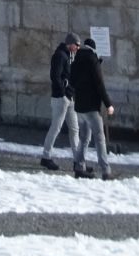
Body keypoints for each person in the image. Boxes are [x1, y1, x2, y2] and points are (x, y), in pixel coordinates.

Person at [70, 35, 114, 179]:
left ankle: (79, 166)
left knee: (84, 138)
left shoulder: (76, 60)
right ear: (94, 49)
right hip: (91, 108)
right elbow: (99, 84)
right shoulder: (92, 60)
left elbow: (72, 82)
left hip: (79, 107)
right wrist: (108, 104)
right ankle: (105, 170)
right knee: (99, 138)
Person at [40, 32, 79, 170]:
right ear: (70, 44)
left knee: (74, 129)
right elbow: (55, 76)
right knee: (56, 127)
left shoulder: (69, 56)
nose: (77, 47)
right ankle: (46, 156)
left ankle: (78, 160)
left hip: (70, 97)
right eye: (76, 45)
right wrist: (63, 92)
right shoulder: (60, 56)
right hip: (61, 98)